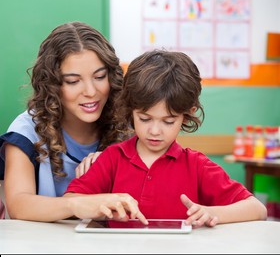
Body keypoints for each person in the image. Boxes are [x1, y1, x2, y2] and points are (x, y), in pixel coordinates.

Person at [65, 49, 267, 227]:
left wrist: (214, 212)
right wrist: (102, 203)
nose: (154, 131)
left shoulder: (196, 166)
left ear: (187, 114)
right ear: (131, 111)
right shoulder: (112, 159)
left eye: (168, 121)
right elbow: (71, 200)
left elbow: (257, 209)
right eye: (144, 119)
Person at [0, 21, 146, 223]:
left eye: (99, 76)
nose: (90, 91)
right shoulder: (26, 130)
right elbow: (18, 205)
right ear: (52, 85)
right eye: (73, 81)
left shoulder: (131, 126)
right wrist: (76, 204)